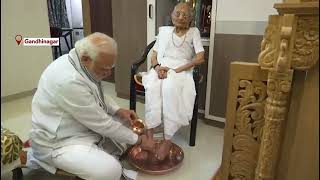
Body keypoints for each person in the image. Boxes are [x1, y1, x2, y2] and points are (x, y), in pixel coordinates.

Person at [27, 32, 153, 180]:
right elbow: (102, 124)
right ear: (86, 58)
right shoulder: (68, 81)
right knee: (111, 170)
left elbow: (95, 92)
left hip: (80, 123)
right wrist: (139, 141)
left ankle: (102, 149)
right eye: (104, 68)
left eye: (111, 67)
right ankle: (38, 159)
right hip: (60, 141)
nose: (108, 72)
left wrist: (118, 110)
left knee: (127, 123)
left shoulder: (79, 63)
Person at [142, 3, 205, 160]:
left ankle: (168, 138)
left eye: (185, 15)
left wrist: (179, 69)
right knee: (153, 87)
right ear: (172, 14)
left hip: (181, 70)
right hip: (161, 66)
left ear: (191, 18)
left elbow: (200, 58)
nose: (181, 17)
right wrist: (157, 68)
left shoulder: (193, 32)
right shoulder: (164, 31)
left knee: (169, 88)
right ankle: (150, 132)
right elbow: (154, 54)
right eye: (178, 13)